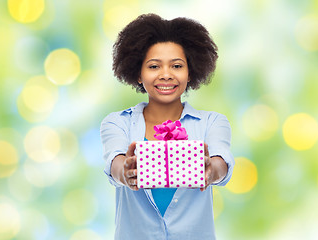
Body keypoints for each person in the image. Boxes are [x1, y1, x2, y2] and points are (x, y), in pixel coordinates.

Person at [100, 13, 235, 240]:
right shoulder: (118, 122)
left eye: (176, 66)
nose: (165, 75)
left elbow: (222, 162)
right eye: (154, 66)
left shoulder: (213, 122)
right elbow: (115, 161)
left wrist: (210, 170)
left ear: (190, 72)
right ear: (139, 74)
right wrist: (125, 172)